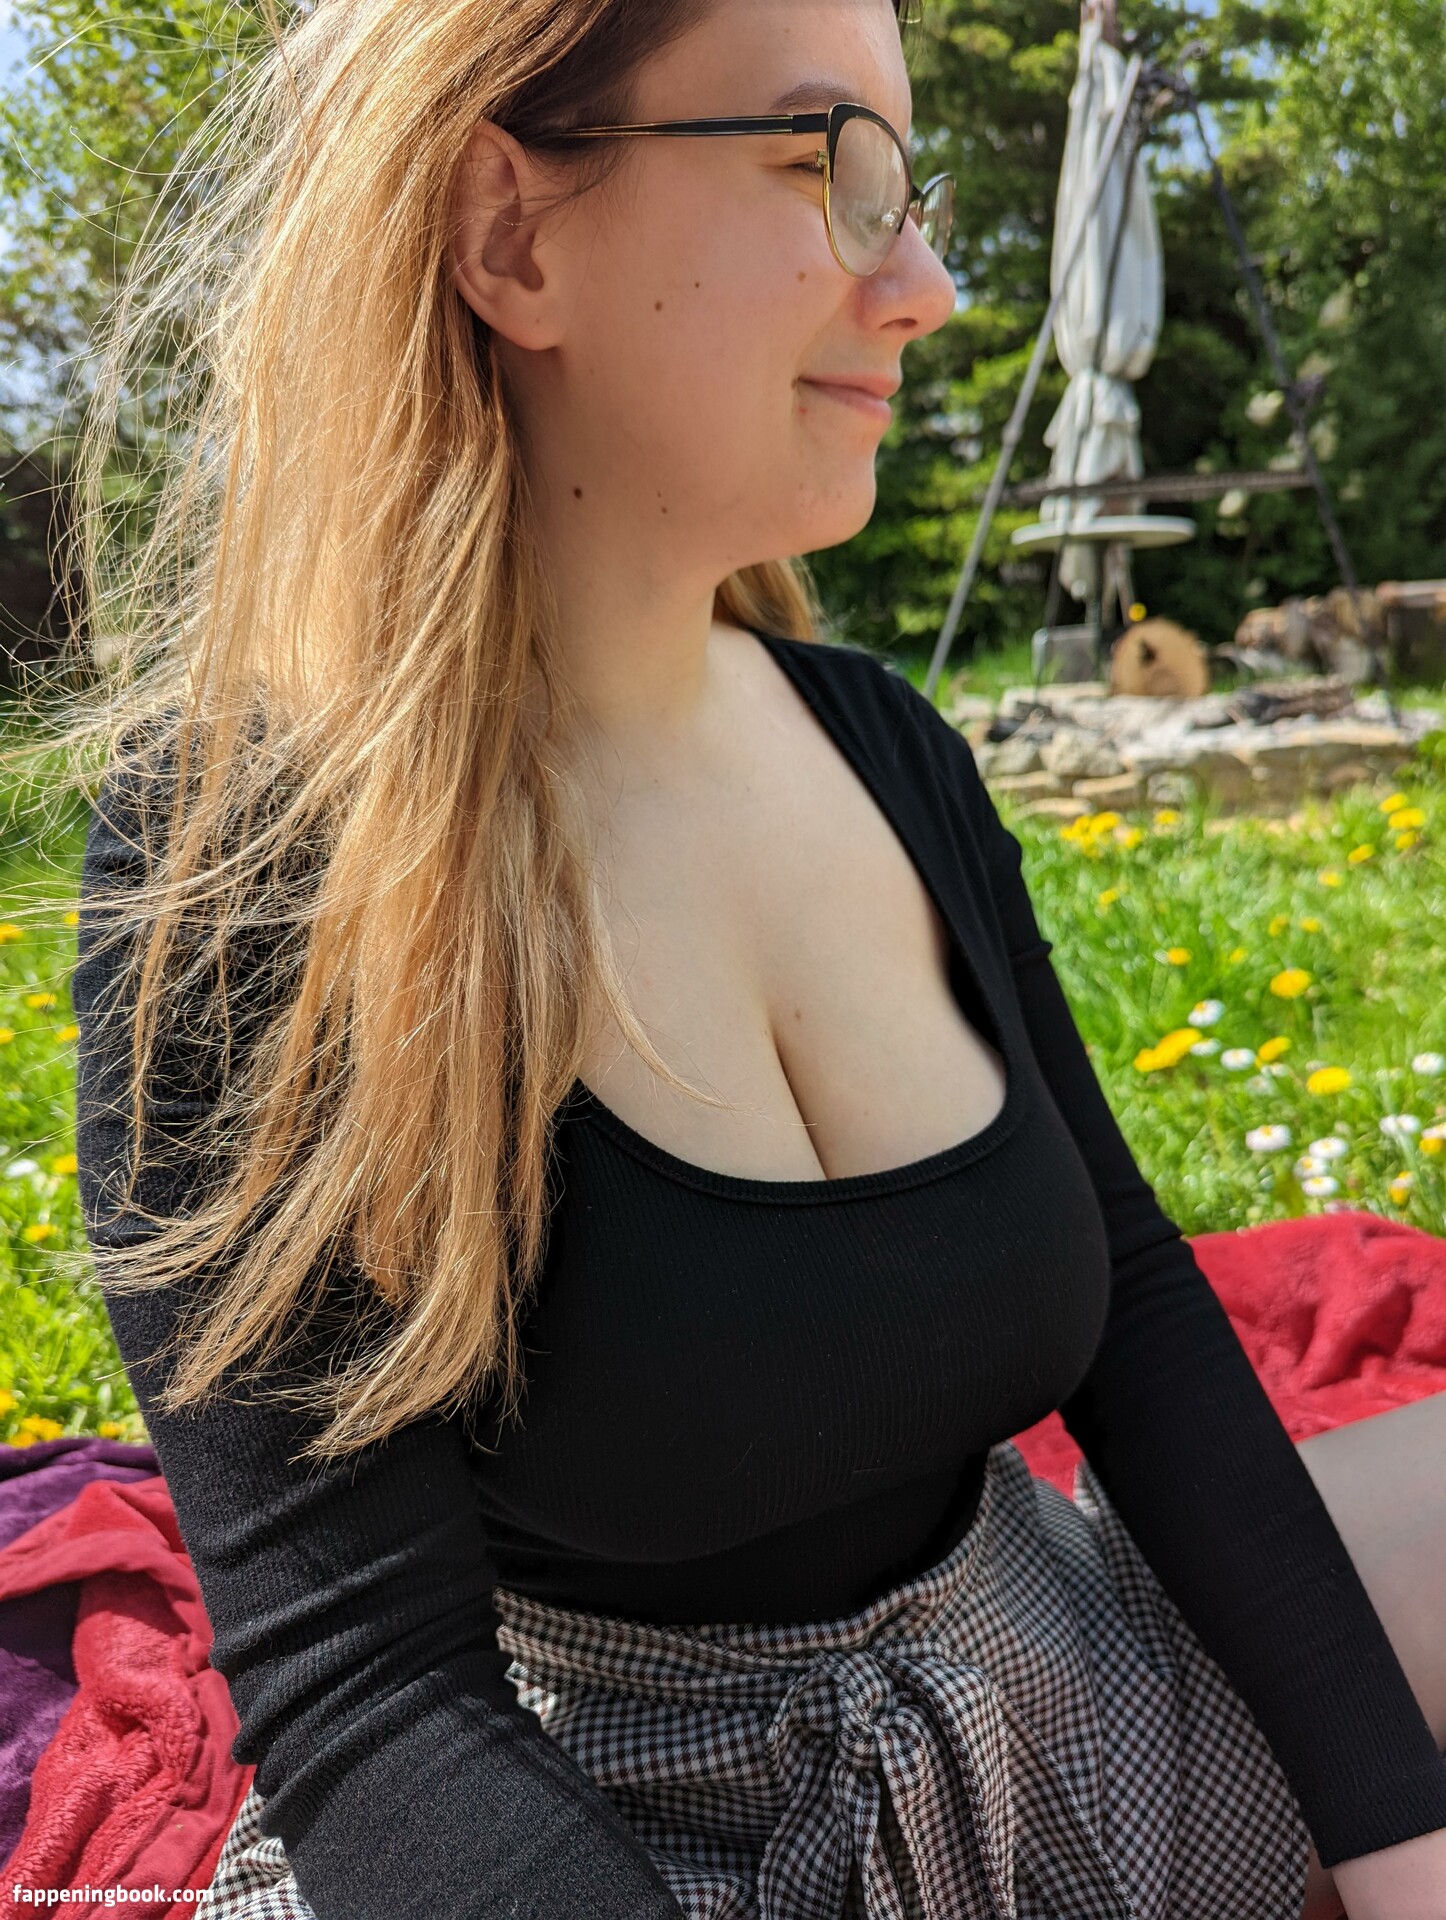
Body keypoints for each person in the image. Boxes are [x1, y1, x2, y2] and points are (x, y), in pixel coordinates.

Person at [61, 0, 1446, 1915]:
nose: (928, 289)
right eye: (826, 165)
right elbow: (371, 1687)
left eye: (910, 188)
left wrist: (1399, 1847)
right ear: (509, 236)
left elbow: (1136, 1310)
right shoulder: (248, 877)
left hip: (1048, 1681)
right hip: (605, 1827)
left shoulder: (889, 750)